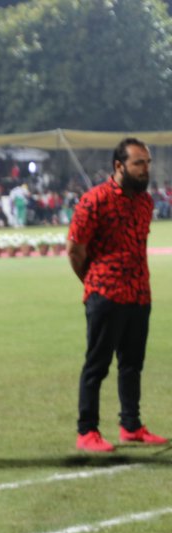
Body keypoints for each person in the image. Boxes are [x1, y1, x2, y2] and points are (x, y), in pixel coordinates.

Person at [68, 137, 166, 452]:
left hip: (139, 293)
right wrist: (94, 281)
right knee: (97, 365)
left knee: (132, 365)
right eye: (139, 163)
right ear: (119, 166)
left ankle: (131, 426)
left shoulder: (145, 202)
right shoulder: (94, 200)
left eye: (147, 163)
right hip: (106, 293)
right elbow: (75, 250)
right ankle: (87, 431)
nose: (145, 169)